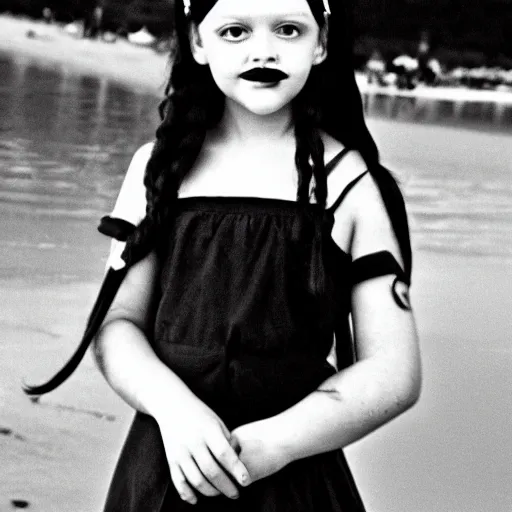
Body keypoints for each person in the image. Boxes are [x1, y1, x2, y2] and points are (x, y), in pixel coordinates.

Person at [24, 0, 422, 510]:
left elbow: (393, 371)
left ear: (321, 42)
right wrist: (174, 409)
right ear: (196, 41)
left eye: (288, 30)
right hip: (166, 469)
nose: (263, 50)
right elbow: (118, 323)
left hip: (294, 480)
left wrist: (274, 444)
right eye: (234, 31)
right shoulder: (159, 168)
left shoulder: (352, 184)